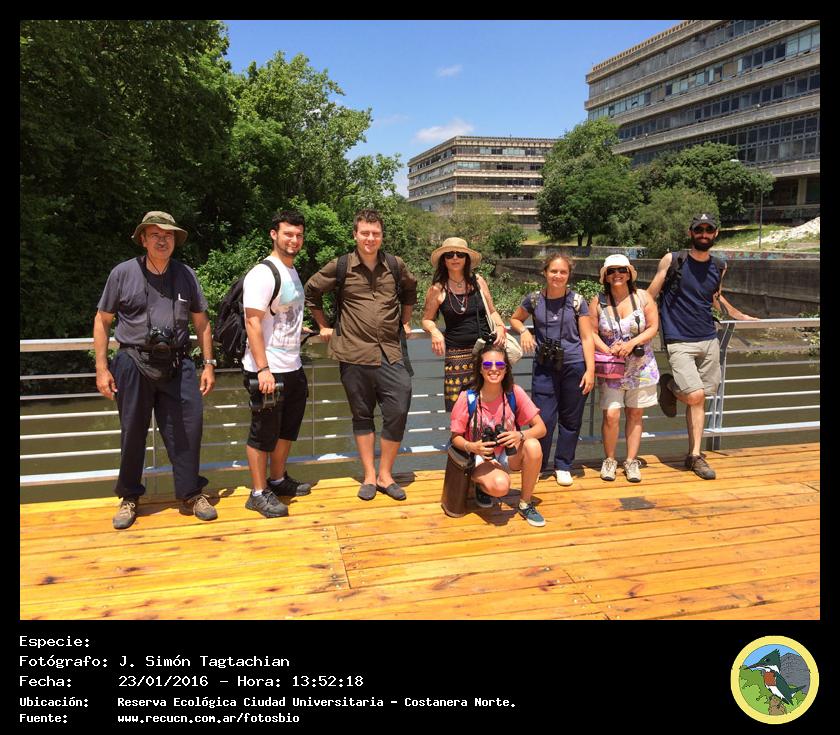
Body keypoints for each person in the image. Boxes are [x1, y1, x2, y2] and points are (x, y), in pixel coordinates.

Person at [94, 211, 217, 529]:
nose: (163, 240)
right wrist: (102, 368)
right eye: (155, 235)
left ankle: (191, 493)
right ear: (143, 239)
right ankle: (129, 496)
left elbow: (202, 323)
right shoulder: (122, 273)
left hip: (178, 361)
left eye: (168, 235)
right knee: (132, 431)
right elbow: (103, 321)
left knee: (189, 428)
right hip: (133, 361)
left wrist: (209, 364)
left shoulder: (186, 274)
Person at [304, 209, 417, 501]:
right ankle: (369, 475)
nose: (370, 238)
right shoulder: (341, 265)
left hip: (391, 352)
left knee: (398, 409)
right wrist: (323, 325)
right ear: (355, 234)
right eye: (365, 233)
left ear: (382, 236)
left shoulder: (395, 265)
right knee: (362, 414)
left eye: (375, 233)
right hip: (353, 353)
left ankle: (386, 474)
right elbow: (311, 291)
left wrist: (406, 320)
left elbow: (410, 290)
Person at [646, 213, 758, 480]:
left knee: (702, 396)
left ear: (715, 233)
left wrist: (738, 315)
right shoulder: (673, 260)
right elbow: (650, 295)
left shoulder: (719, 265)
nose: (704, 234)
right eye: (699, 230)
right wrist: (641, 326)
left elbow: (715, 296)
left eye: (709, 230)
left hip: (708, 337)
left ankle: (694, 455)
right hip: (678, 338)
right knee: (694, 395)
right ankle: (669, 385)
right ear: (691, 233)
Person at [241, 211, 312, 518]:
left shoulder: (292, 271)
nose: (294, 240)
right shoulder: (262, 273)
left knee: (286, 429)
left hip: (293, 365)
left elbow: (284, 313)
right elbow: (252, 321)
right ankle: (258, 493)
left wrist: (301, 330)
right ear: (274, 234)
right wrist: (262, 369)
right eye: (288, 234)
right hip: (268, 368)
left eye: (298, 235)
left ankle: (278, 479)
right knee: (262, 432)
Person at [509, 253, 595, 486]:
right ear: (545, 273)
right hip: (545, 367)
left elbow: (587, 338)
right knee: (543, 418)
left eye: (563, 272)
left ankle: (563, 465)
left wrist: (590, 371)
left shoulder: (577, 301)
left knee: (571, 418)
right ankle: (537, 464)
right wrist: (524, 331)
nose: (558, 276)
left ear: (569, 275)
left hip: (574, 365)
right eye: (553, 271)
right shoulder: (534, 299)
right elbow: (515, 319)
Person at [449, 345, 547, 526]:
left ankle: (525, 503)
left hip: (508, 454)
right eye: (487, 365)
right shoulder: (468, 397)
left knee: (533, 445)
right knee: (501, 486)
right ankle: (479, 484)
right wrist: (473, 446)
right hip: (480, 457)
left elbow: (541, 428)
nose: (494, 369)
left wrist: (519, 435)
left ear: (506, 369)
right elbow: (456, 437)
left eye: (499, 365)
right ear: (480, 369)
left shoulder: (514, 393)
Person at [589, 254, 659, 483]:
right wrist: (608, 350)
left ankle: (631, 460)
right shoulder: (598, 301)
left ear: (629, 273)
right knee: (611, 414)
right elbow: (591, 332)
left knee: (635, 413)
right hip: (612, 366)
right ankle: (609, 459)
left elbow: (653, 327)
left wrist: (631, 344)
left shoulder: (643, 297)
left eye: (621, 270)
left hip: (641, 365)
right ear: (605, 277)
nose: (617, 274)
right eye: (611, 271)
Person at [421, 237, 506, 411]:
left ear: (466, 259)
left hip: (485, 352)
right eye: (449, 255)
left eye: (460, 254)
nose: (455, 258)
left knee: (489, 405)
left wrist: (500, 326)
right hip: (457, 356)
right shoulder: (437, 289)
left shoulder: (478, 282)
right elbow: (426, 319)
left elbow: (492, 311)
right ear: (444, 260)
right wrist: (434, 331)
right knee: (459, 408)